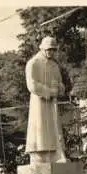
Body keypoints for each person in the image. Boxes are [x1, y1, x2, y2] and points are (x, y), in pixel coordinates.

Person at [25, 36, 68, 164]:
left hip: (52, 104)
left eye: (53, 49)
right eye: (49, 49)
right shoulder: (33, 63)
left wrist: (59, 88)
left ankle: (56, 153)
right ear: (42, 48)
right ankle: (40, 155)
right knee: (40, 129)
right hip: (39, 102)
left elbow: (61, 83)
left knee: (54, 128)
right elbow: (31, 84)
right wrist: (48, 91)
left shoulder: (55, 66)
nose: (51, 52)